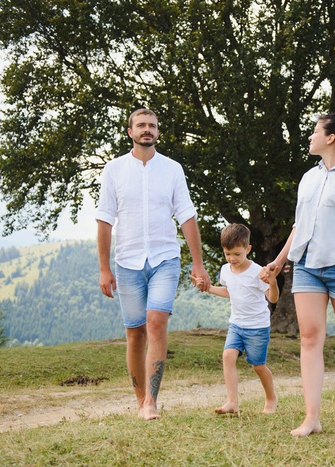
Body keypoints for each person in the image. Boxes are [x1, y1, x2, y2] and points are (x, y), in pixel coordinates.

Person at [261, 114, 335, 436]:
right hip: (307, 266)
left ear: (331, 138)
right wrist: (279, 262)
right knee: (310, 338)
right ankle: (312, 417)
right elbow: (300, 226)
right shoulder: (309, 178)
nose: (309, 137)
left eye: (314, 131)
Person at [96, 108, 210, 420]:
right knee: (135, 334)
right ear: (130, 131)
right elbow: (105, 220)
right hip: (128, 262)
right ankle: (139, 399)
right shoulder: (114, 170)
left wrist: (198, 265)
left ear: (158, 132)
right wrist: (104, 268)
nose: (148, 130)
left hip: (165, 258)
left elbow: (187, 216)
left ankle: (152, 402)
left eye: (153, 126)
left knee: (156, 321)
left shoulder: (173, 170)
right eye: (142, 125)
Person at [193, 223, 279, 415]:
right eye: (227, 254)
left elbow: (272, 298)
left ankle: (271, 398)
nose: (232, 259)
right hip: (236, 325)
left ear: (248, 249)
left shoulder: (258, 272)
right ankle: (232, 402)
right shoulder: (225, 270)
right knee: (228, 356)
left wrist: (272, 283)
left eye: (237, 254)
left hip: (257, 327)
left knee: (258, 366)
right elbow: (230, 291)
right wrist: (207, 287)